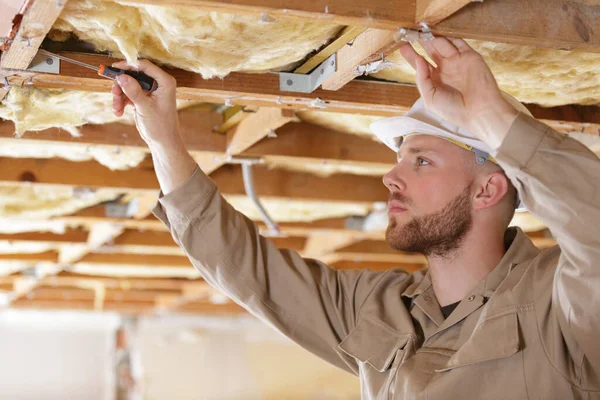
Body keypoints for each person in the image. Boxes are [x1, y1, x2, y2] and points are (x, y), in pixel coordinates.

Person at [111, 37, 600, 399]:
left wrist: (489, 114)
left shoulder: (562, 306)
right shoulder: (381, 307)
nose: (391, 176)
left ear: (489, 188)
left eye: (421, 160)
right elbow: (248, 271)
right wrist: (162, 138)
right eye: (401, 157)